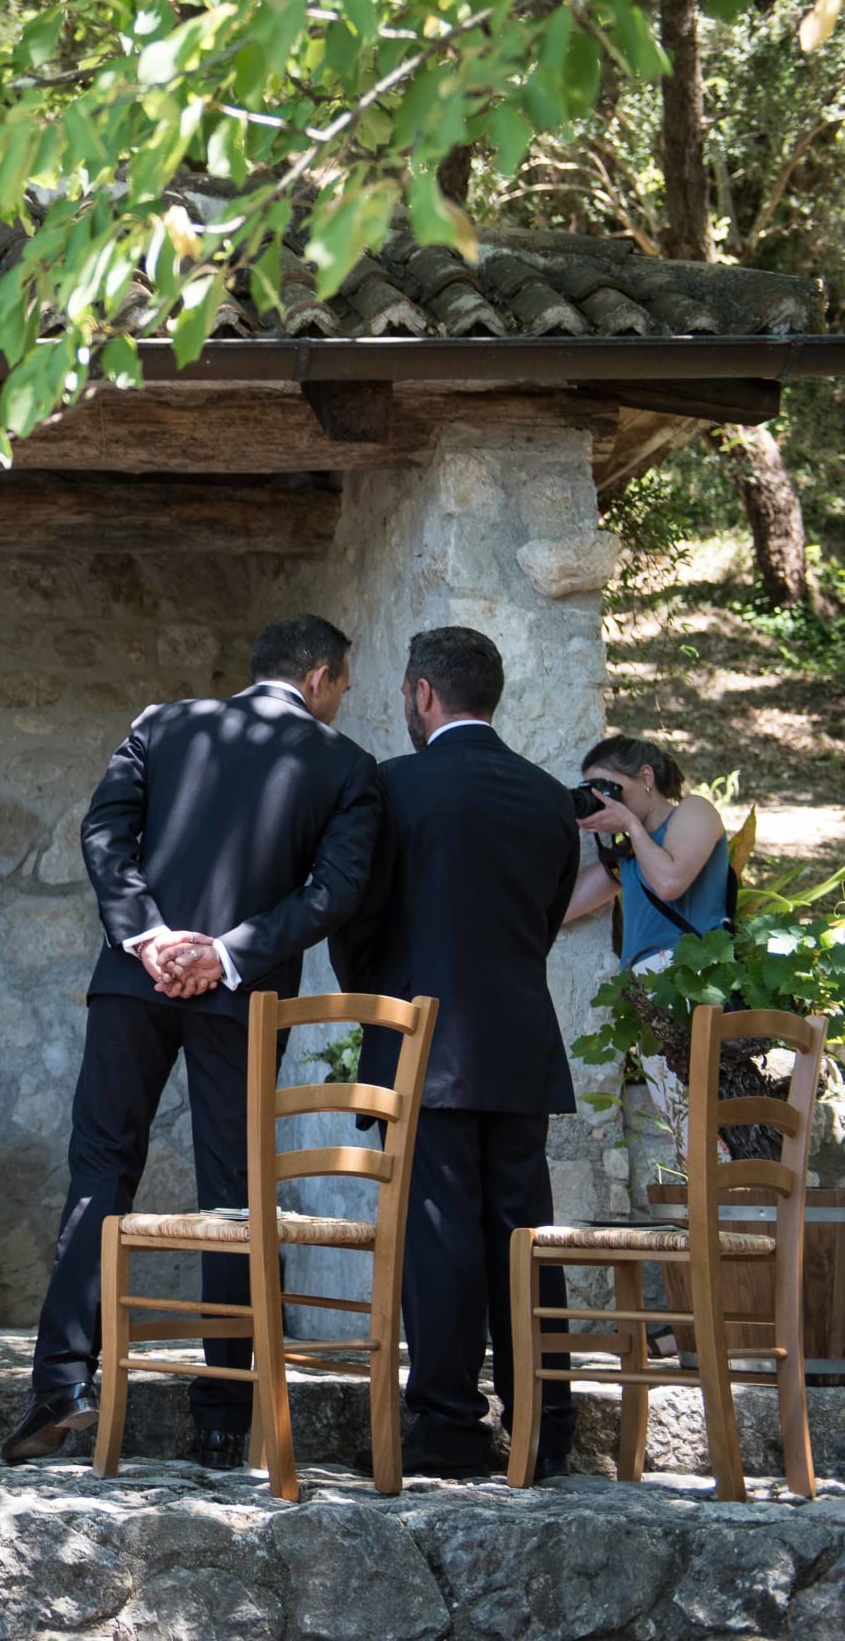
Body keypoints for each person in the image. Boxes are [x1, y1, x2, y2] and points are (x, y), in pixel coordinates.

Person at [6, 613, 382, 1471]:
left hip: (132, 983)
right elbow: (336, 892)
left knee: (100, 1172)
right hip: (243, 1000)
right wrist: (225, 953)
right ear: (321, 677)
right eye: (345, 685)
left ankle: (59, 1388)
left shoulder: (160, 723)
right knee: (234, 1198)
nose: (342, 699)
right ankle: (222, 1415)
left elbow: (103, 833)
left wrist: (148, 938)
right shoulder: (347, 767)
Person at [331, 627, 579, 1480]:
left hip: (419, 1040)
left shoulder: (395, 787)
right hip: (516, 1045)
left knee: (438, 1237)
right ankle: (545, 1422)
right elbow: (542, 925)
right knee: (523, 1237)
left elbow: (358, 915)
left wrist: (375, 991)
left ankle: (447, 1427)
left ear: (423, 693)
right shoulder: (550, 797)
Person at [564, 736, 732, 970]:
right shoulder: (631, 856)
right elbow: (559, 910)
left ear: (646, 776)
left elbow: (669, 883)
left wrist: (631, 824)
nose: (604, 801)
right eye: (594, 793)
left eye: (606, 788)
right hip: (643, 992)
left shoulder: (695, 809)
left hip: (693, 979)